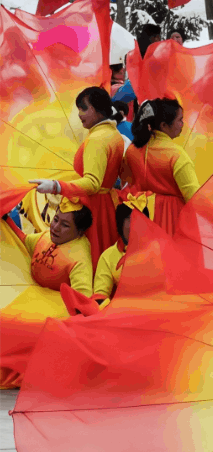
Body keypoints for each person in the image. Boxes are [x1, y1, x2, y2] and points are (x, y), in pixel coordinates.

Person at [0, 204, 96, 386]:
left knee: (14, 325)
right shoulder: (46, 236)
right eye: (56, 219)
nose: (56, 227)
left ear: (80, 232)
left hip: (58, 307)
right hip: (34, 295)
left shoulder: (79, 256)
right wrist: (6, 219)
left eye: (65, 225)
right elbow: (24, 240)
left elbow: (82, 299)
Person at [27, 85, 127, 258]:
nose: (80, 113)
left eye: (84, 108)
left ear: (98, 110)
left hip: (91, 209)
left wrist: (55, 186)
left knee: (86, 259)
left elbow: (92, 183)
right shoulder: (113, 134)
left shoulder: (97, 139)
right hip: (107, 206)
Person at [121, 97, 200, 236]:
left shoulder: (133, 150)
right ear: (164, 125)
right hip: (173, 218)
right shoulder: (177, 155)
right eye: (179, 120)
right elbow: (194, 199)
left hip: (140, 216)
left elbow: (125, 179)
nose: (182, 124)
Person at [92, 200, 147, 306]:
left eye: (142, 220)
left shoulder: (157, 249)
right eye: (131, 220)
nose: (137, 225)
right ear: (121, 223)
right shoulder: (108, 256)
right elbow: (100, 295)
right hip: (124, 311)